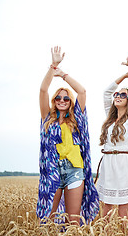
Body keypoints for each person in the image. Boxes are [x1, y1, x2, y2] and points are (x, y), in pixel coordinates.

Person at [37, 46, 99, 225]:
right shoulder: (47, 118)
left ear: (70, 102)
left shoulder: (77, 120)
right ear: (54, 102)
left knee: (74, 220)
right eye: (58, 98)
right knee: (48, 218)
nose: (62, 101)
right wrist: (52, 67)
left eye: (66, 98)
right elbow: (43, 90)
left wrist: (63, 74)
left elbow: (82, 91)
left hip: (75, 171)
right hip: (52, 170)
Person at [96, 58, 128, 220]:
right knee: (107, 212)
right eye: (117, 94)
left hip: (124, 164)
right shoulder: (109, 118)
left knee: (124, 213)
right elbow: (106, 93)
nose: (117, 96)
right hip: (107, 163)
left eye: (122, 95)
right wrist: (123, 77)